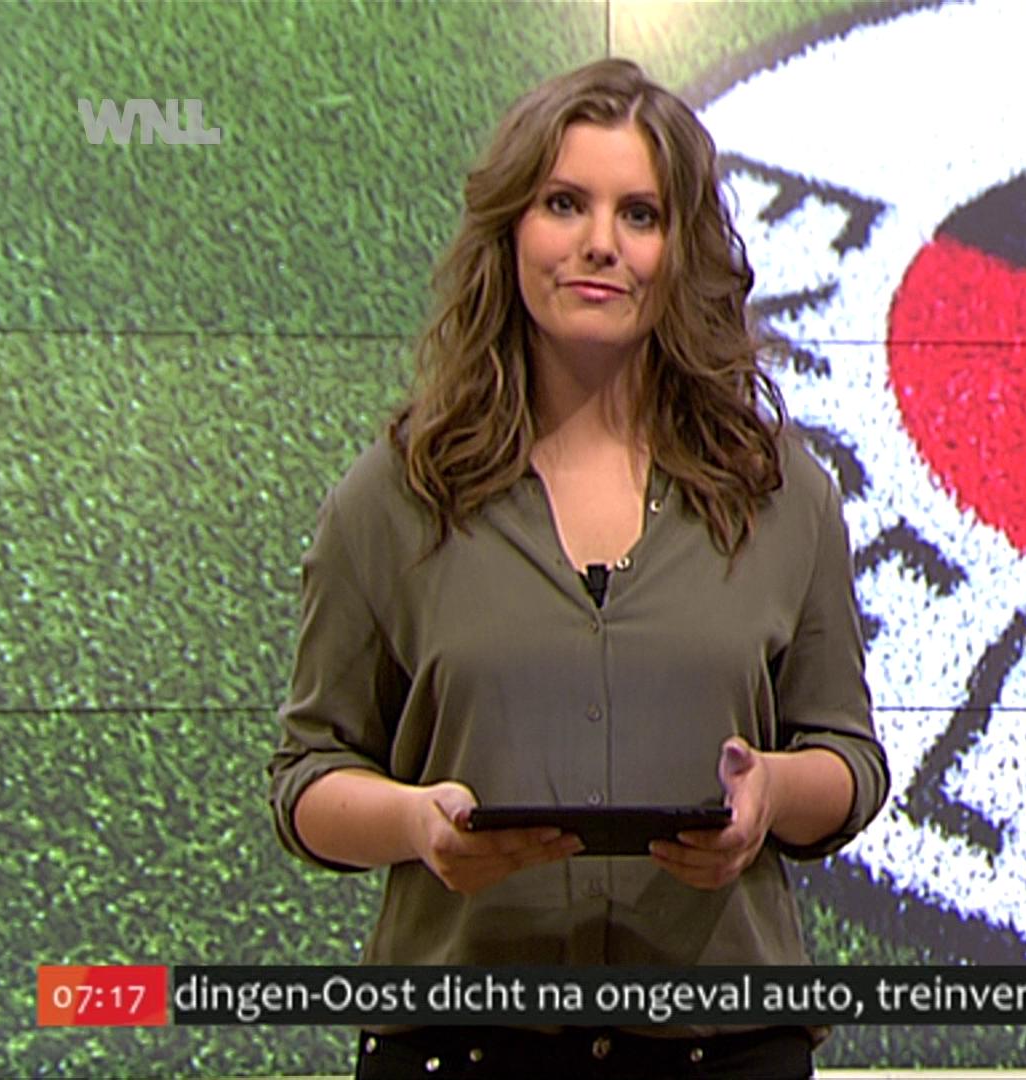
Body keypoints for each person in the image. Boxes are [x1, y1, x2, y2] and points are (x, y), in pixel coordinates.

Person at [268, 58, 887, 1080]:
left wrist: (771, 796)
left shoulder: (780, 494)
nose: (601, 242)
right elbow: (308, 780)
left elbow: (848, 762)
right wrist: (417, 825)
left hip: (721, 1052)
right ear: (512, 230)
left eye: (639, 214)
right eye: (565, 204)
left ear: (680, 252)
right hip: (463, 1050)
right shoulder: (396, 493)